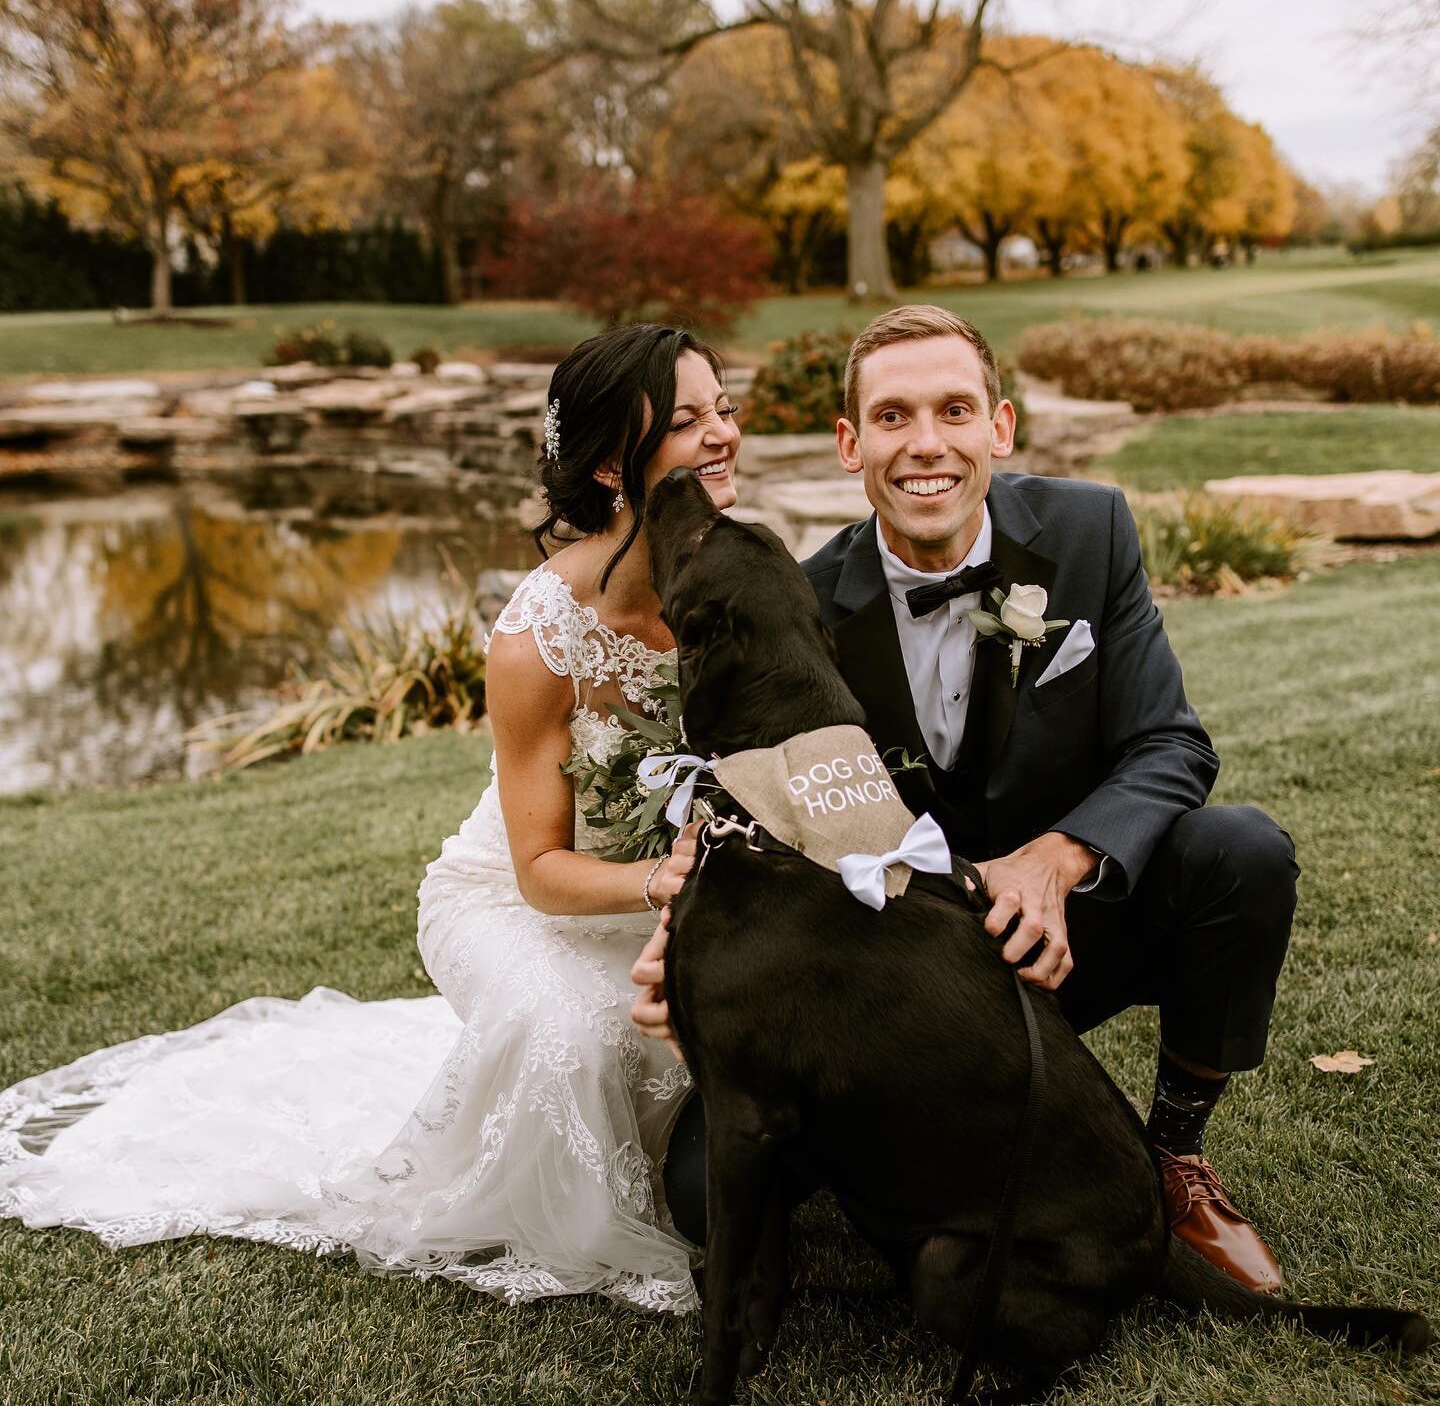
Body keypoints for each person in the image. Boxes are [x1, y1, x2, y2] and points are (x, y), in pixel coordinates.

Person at [0, 324, 736, 1313]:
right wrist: (662, 879)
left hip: (669, 887)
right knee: (570, 1032)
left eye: (723, 408)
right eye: (688, 420)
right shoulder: (539, 635)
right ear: (610, 463)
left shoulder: (743, 576)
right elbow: (538, 872)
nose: (724, 433)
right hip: (521, 898)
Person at [634, 305, 1298, 1294]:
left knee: (1240, 851)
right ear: (852, 443)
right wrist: (679, 921)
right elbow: (745, 798)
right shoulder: (800, 600)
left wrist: (1058, 857)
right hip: (894, 986)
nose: (927, 443)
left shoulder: (1091, 530)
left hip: (1066, 933)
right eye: (894, 417)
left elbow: (1169, 741)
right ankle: (922, 1160)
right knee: (701, 1188)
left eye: (954, 409)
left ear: (1002, 425)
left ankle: (1171, 1161)